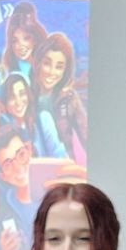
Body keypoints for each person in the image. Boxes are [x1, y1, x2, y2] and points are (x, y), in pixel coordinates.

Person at [32, 32, 87, 163]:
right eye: (47, 63)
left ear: (65, 70)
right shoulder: (25, 96)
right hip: (31, 168)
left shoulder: (69, 98)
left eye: (59, 67)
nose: (52, 72)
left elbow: (87, 136)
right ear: (39, 63)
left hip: (63, 169)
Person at [0, 126, 39, 238]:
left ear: (29, 151)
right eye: (7, 165)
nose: (18, 168)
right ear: (3, 176)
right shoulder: (6, 208)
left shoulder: (52, 187)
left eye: (21, 154)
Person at [2, 2, 46, 82]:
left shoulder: (45, 62)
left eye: (26, 38)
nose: (21, 46)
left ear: (35, 39)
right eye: (15, 41)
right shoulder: (11, 64)